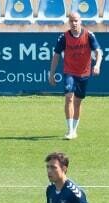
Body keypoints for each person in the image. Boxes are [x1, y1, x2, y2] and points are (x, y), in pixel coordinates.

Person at [49, 12, 102, 140]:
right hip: (69, 72)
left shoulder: (89, 35)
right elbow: (56, 55)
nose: (74, 23)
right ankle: (70, 130)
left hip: (84, 73)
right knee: (69, 98)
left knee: (78, 101)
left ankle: (75, 129)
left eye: (76, 20)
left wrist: (97, 65)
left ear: (80, 21)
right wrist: (52, 73)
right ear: (69, 22)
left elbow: (98, 52)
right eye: (71, 21)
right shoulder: (63, 37)